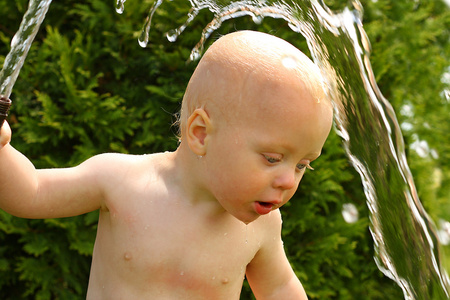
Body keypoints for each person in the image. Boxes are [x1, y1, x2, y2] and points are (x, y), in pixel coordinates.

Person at [0, 30, 333, 299]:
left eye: (303, 165)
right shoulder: (122, 182)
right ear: (201, 134)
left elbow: (277, 288)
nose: (288, 180)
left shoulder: (262, 226)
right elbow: (31, 192)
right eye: (273, 158)